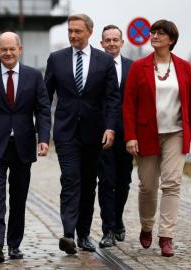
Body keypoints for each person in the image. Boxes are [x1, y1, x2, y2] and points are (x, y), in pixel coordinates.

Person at [0, 32, 51, 263]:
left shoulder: (34, 77)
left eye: (11, 49)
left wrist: (43, 138)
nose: (7, 53)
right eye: (3, 49)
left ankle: (14, 245)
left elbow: (43, 110)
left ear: (20, 49)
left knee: (18, 198)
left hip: (23, 146)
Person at [44, 14, 120, 255]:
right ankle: (68, 233)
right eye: (70, 31)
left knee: (88, 184)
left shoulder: (104, 62)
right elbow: (45, 98)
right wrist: (42, 133)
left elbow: (112, 99)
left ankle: (84, 234)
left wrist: (110, 128)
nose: (73, 35)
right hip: (66, 132)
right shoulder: (56, 59)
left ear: (89, 31)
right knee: (70, 179)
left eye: (78, 31)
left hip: (94, 133)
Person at [123, 19, 191, 257]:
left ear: (171, 40)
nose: (154, 36)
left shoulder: (184, 67)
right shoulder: (139, 67)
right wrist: (130, 136)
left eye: (160, 34)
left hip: (176, 132)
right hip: (146, 134)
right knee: (148, 187)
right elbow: (129, 104)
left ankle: (166, 236)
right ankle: (147, 225)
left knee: (172, 184)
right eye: (153, 33)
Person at [97, 25, 133, 248]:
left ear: (122, 43)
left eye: (115, 39)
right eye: (107, 40)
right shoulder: (95, 66)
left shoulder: (133, 67)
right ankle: (108, 229)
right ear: (101, 44)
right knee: (106, 181)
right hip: (102, 133)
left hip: (128, 134)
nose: (111, 43)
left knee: (124, 181)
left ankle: (117, 218)